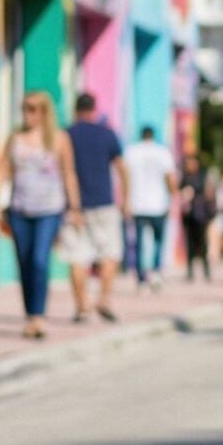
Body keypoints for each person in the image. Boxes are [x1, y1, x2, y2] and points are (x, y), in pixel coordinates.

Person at [0, 92, 80, 339]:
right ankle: (29, 315)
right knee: (24, 263)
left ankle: (39, 316)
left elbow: (69, 173)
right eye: (25, 108)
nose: (28, 114)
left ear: (45, 111)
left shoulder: (59, 139)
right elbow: (3, 170)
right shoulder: (16, 138)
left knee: (39, 259)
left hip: (50, 209)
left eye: (33, 109)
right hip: (19, 209)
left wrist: (75, 208)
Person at [62, 90, 125, 323]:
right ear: (93, 109)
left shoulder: (66, 135)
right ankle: (104, 299)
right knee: (110, 253)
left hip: (74, 206)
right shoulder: (107, 134)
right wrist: (125, 200)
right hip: (105, 203)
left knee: (77, 257)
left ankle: (82, 308)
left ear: (75, 110)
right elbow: (122, 168)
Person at [123, 125, 177, 287]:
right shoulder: (162, 152)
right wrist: (172, 197)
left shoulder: (131, 151)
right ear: (153, 136)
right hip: (158, 203)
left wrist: (126, 201)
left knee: (139, 241)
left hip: (137, 203)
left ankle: (140, 276)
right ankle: (155, 272)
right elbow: (170, 177)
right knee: (158, 240)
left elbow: (125, 177)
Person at [178, 139, 215, 282]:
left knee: (203, 243)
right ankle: (190, 271)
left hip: (201, 213)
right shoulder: (185, 177)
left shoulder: (203, 176)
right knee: (190, 244)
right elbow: (179, 191)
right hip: (188, 214)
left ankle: (206, 270)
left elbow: (209, 192)